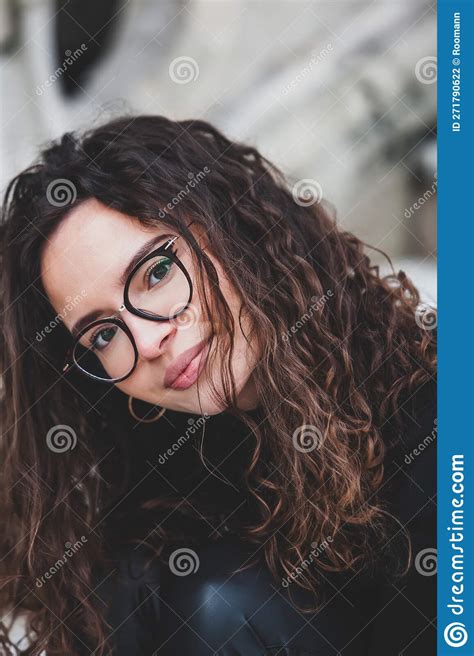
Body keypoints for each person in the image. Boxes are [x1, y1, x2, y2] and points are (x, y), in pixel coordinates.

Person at [0, 115, 436, 655]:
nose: (148, 339)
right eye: (103, 334)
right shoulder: (177, 477)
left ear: (235, 228)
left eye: (155, 273)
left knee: (215, 604)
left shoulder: (435, 422)